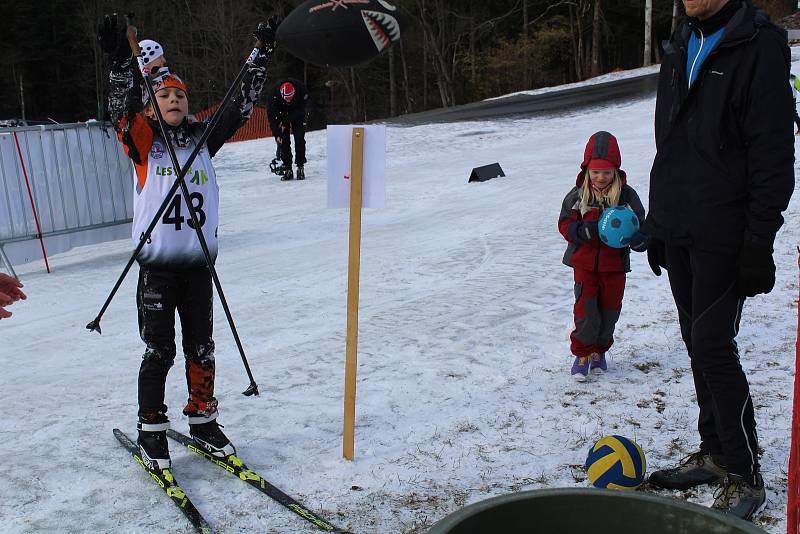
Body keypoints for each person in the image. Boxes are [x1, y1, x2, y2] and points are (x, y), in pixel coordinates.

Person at [98, 13, 276, 470]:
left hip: (198, 267)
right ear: (151, 104)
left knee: (202, 347)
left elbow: (238, 105)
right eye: (164, 94)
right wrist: (121, 61)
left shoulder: (202, 138)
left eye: (180, 94)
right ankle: (151, 428)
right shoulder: (142, 140)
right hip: (157, 268)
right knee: (160, 350)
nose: (174, 99)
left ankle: (203, 418)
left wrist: (260, 54)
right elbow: (121, 111)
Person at [644, 0, 794, 521]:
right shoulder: (681, 41)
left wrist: (759, 241)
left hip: (726, 232)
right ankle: (714, 452)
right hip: (681, 223)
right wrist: (659, 221)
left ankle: (744, 471)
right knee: (694, 341)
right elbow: (672, 140)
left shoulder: (759, 44)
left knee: (713, 344)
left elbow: (773, 152)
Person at [557, 131, 646, 382]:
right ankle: (583, 354)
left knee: (610, 311)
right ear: (587, 171)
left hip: (615, 266)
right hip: (584, 265)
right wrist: (579, 230)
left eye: (606, 172)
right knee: (586, 311)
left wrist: (641, 239)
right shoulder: (577, 196)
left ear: (615, 172)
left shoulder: (626, 196)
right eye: (595, 172)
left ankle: (600, 350)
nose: (600, 177)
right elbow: (564, 224)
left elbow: (640, 223)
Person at [267, 78, 309, 180]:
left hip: (297, 112)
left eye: (290, 98)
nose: (288, 100)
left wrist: (286, 121)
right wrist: (277, 134)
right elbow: (272, 116)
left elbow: (302, 109)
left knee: (299, 139)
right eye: (286, 98)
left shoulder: (301, 89)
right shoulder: (273, 95)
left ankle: (300, 166)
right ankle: (288, 167)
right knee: (283, 141)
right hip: (281, 112)